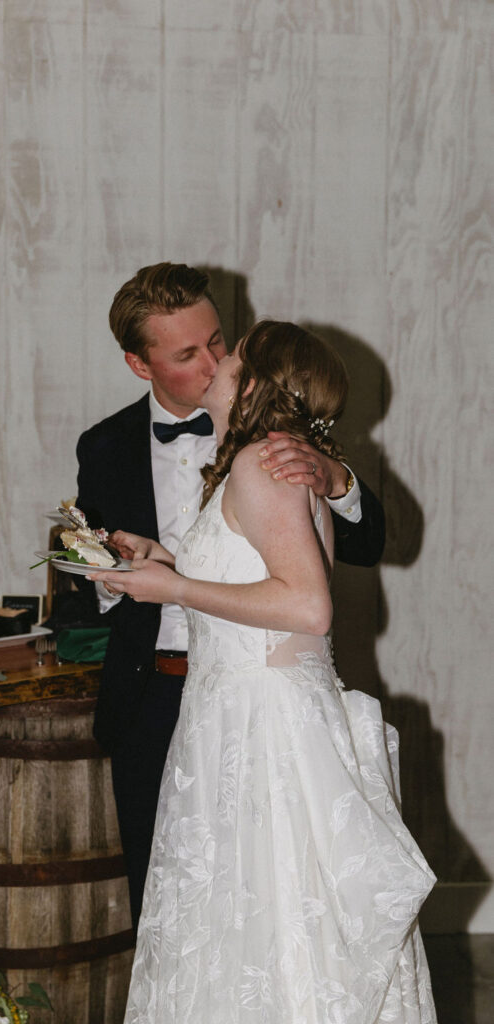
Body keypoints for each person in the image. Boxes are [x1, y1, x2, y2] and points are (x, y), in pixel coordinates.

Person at [91, 320, 436, 1024]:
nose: (216, 361)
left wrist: (178, 591)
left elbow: (307, 606)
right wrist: (165, 565)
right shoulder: (251, 462)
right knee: (241, 927)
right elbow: (255, 579)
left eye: (230, 353)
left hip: (263, 730)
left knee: (276, 923)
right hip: (230, 719)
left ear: (252, 383)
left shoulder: (260, 465)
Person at [76, 262, 386, 930]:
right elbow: (227, 556)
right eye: (188, 354)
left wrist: (335, 479)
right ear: (141, 365)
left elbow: (336, 571)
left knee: (270, 904)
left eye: (219, 341)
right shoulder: (102, 448)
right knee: (173, 911)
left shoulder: (274, 454)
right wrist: (139, 569)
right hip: (157, 701)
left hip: (262, 708)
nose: (215, 359)